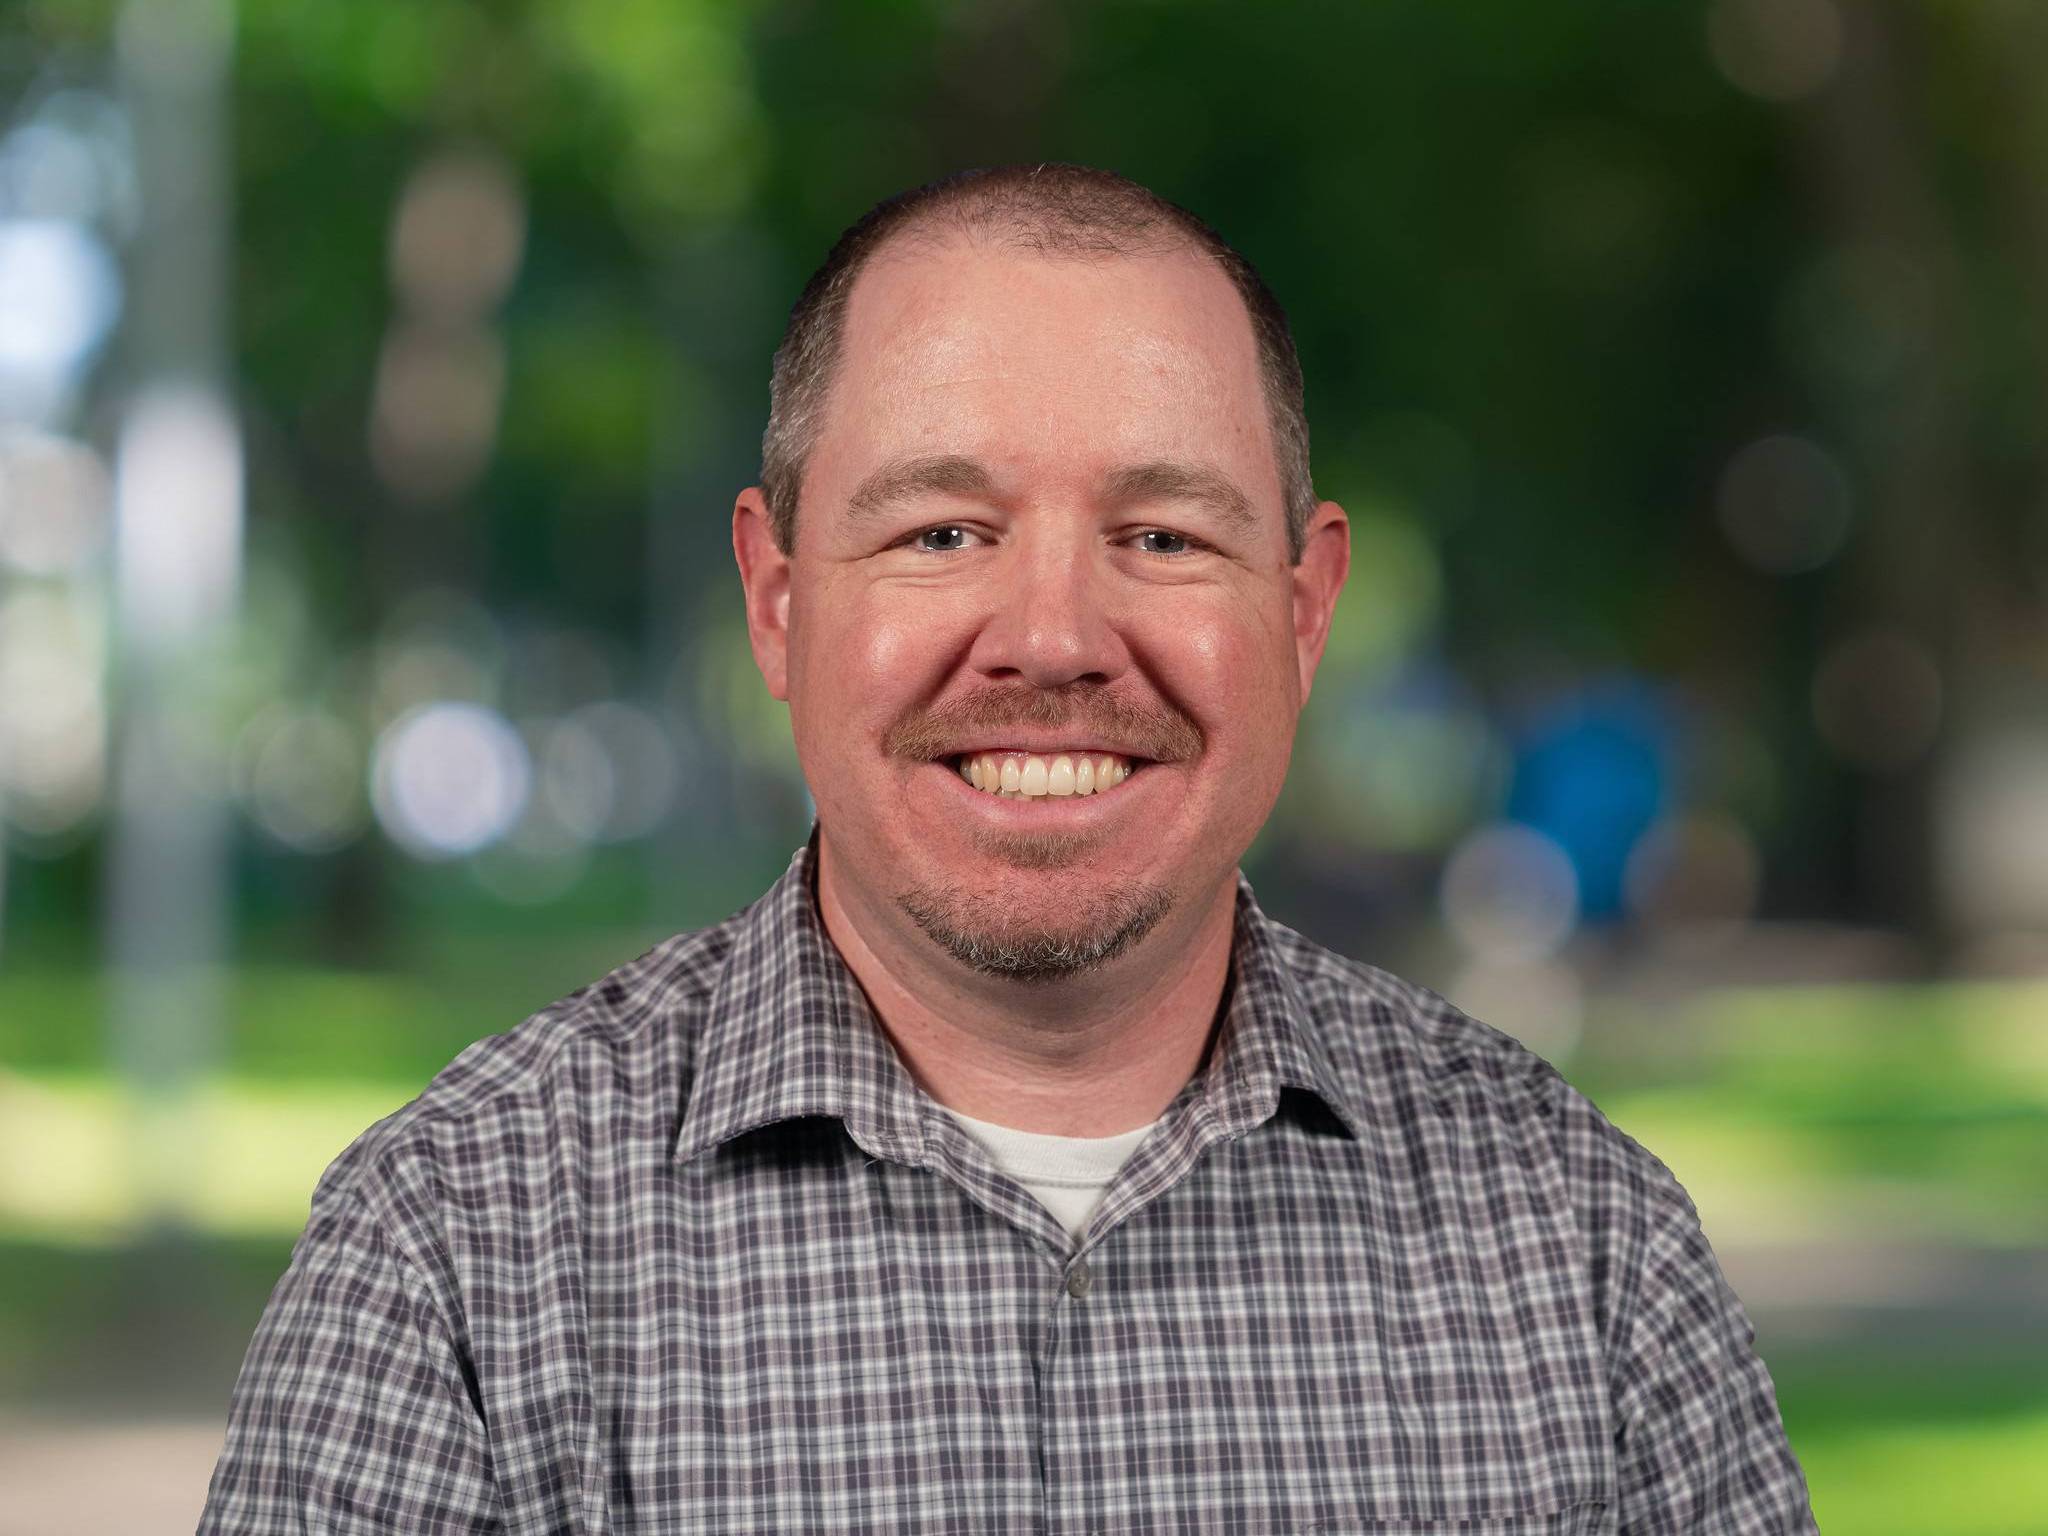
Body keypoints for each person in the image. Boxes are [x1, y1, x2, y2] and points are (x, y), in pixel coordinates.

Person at [199, 163, 1816, 1534]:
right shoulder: (460, 1251)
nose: (1052, 637)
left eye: (1164, 536)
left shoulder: (1584, 1246)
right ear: (779, 601)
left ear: (1305, 612)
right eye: (943, 533)